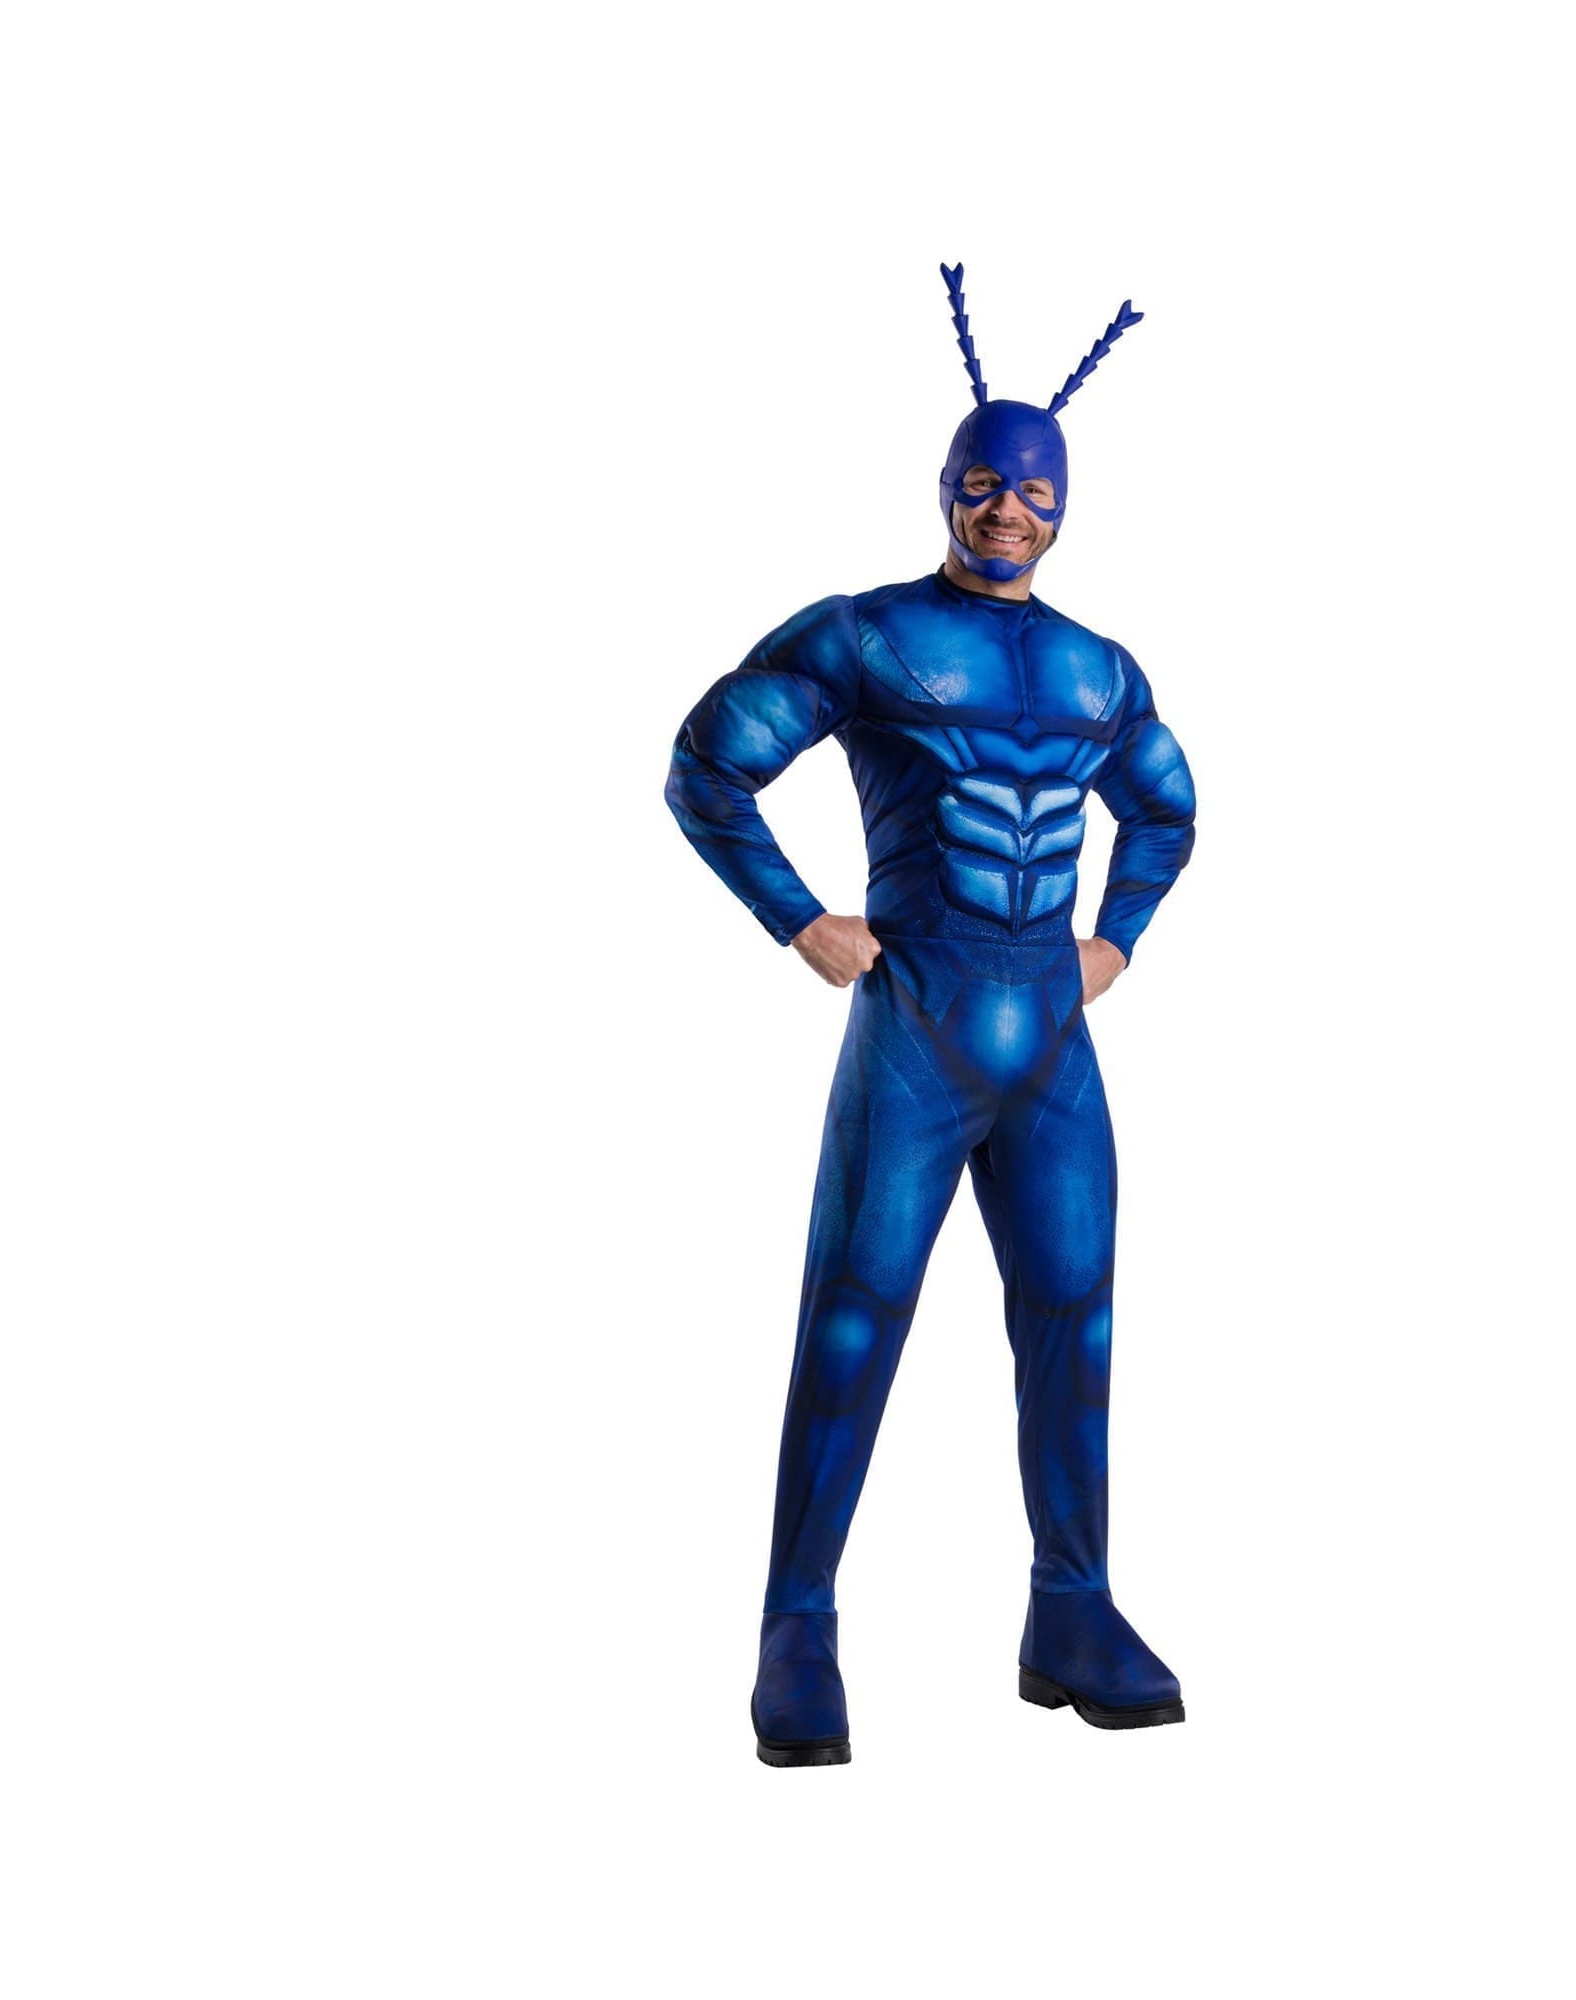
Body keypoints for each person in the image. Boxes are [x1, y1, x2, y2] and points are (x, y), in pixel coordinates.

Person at [664, 265, 1198, 1766]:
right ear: (945, 483)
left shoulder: (1100, 669)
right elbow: (709, 763)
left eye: (1034, 487)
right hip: (916, 1018)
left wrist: (1116, 943)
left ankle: (1072, 1606)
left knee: (1076, 1319)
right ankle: (797, 1627)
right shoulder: (869, 634)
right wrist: (799, 920)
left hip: (1051, 1038)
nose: (1008, 507)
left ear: (1065, 502)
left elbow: (1168, 806)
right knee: (853, 1317)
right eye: (985, 480)